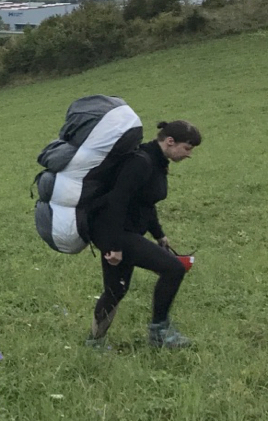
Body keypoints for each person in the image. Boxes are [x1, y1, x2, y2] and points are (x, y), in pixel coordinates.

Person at [86, 120, 202, 349]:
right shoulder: (141, 162)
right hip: (115, 231)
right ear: (170, 141)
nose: (189, 155)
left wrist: (159, 234)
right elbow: (117, 202)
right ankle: (159, 332)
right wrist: (115, 245)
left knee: (116, 288)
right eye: (187, 148)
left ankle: (94, 343)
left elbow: (145, 202)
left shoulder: (157, 161)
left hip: (121, 231)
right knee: (173, 269)